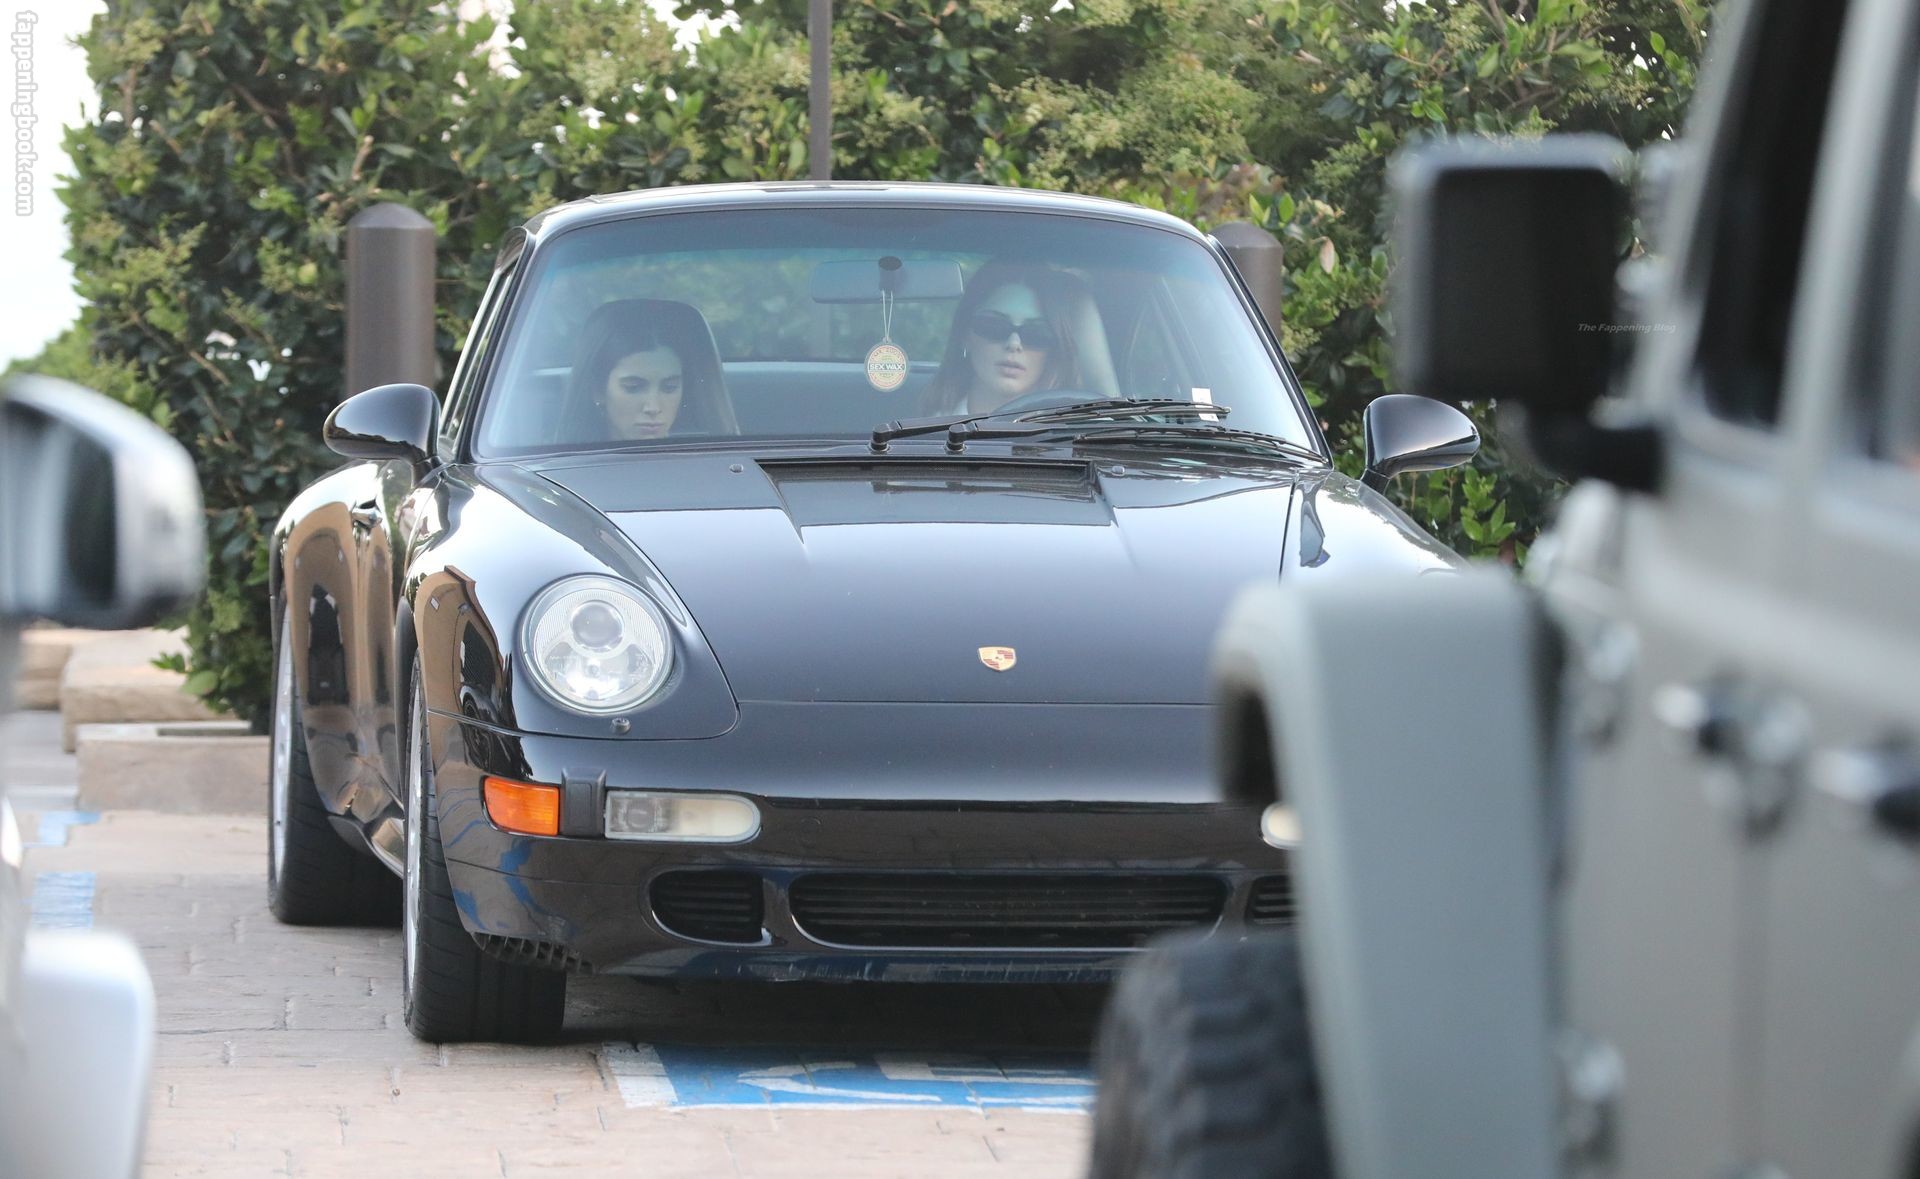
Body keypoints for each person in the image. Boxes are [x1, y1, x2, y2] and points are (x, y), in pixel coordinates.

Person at [920, 263, 1092, 417]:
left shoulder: (1077, 435)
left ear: (1055, 348)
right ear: (965, 335)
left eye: (1036, 334)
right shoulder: (923, 431)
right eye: (994, 326)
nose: (1014, 344)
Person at [567, 299, 738, 442]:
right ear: (598, 390)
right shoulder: (565, 466)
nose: (653, 407)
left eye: (669, 388)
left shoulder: (713, 462)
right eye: (633, 387)